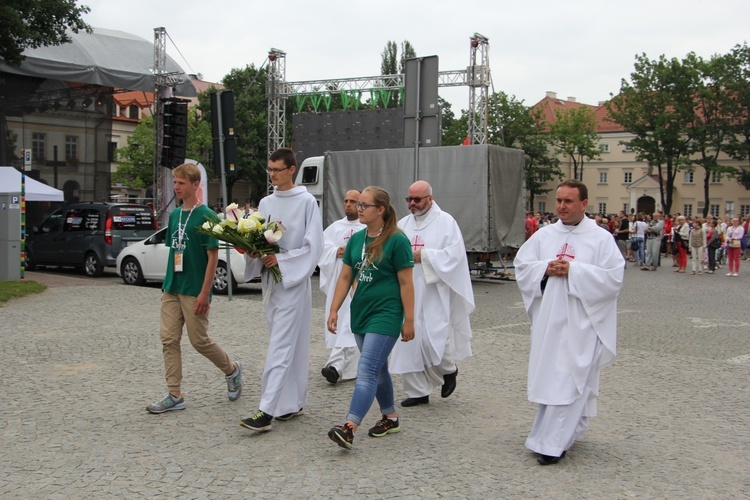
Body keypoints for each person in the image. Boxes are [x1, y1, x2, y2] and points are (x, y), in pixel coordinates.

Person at [514, 179, 625, 465]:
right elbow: (522, 266)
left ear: (584, 204)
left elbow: (613, 278)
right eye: (559, 200)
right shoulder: (544, 235)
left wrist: (574, 271)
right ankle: (559, 433)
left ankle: (553, 444)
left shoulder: (600, 238)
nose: (562, 206)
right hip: (549, 322)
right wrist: (545, 268)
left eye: (568, 201)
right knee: (553, 376)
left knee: (571, 376)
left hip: (583, 323)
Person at [146, 163, 242, 414]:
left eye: (181, 183)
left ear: (195, 185)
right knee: (168, 339)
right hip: (172, 287)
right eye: (175, 182)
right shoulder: (176, 215)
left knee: (199, 341)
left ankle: (231, 369)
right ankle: (174, 393)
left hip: (194, 289)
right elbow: (175, 251)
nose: (176, 187)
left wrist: (204, 292)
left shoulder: (207, 216)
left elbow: (212, 257)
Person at [239, 148, 324, 432]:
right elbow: (257, 238)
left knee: (281, 344)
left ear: (292, 169)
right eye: (270, 169)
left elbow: (313, 246)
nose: (273, 174)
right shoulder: (265, 201)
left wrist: (283, 260)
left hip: (292, 281)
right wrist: (252, 252)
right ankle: (292, 403)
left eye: (277, 169)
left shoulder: (307, 202)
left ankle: (267, 409)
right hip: (271, 281)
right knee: (291, 342)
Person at [327, 186, 415, 450]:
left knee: (366, 371)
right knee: (378, 370)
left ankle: (349, 427)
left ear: (381, 210)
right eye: (359, 205)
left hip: (386, 314)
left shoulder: (397, 240)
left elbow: (406, 283)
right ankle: (390, 416)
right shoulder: (356, 239)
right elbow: (345, 277)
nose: (359, 209)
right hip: (361, 314)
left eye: (364, 205)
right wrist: (333, 309)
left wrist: (408, 319)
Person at [390, 181, 474, 407]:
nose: (412, 204)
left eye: (417, 199)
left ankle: (449, 369)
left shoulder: (446, 222)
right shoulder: (402, 224)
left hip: (434, 288)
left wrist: (424, 256)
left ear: (430, 198)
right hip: (406, 287)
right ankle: (417, 391)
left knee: (432, 337)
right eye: (409, 199)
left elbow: (454, 255)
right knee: (407, 338)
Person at [318, 190, 365, 384]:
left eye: (353, 201)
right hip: (340, 281)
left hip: (361, 281)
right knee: (344, 322)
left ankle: (336, 366)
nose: (348, 205)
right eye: (345, 201)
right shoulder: (335, 228)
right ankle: (339, 367)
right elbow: (321, 249)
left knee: (351, 322)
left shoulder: (367, 227)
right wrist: (336, 251)